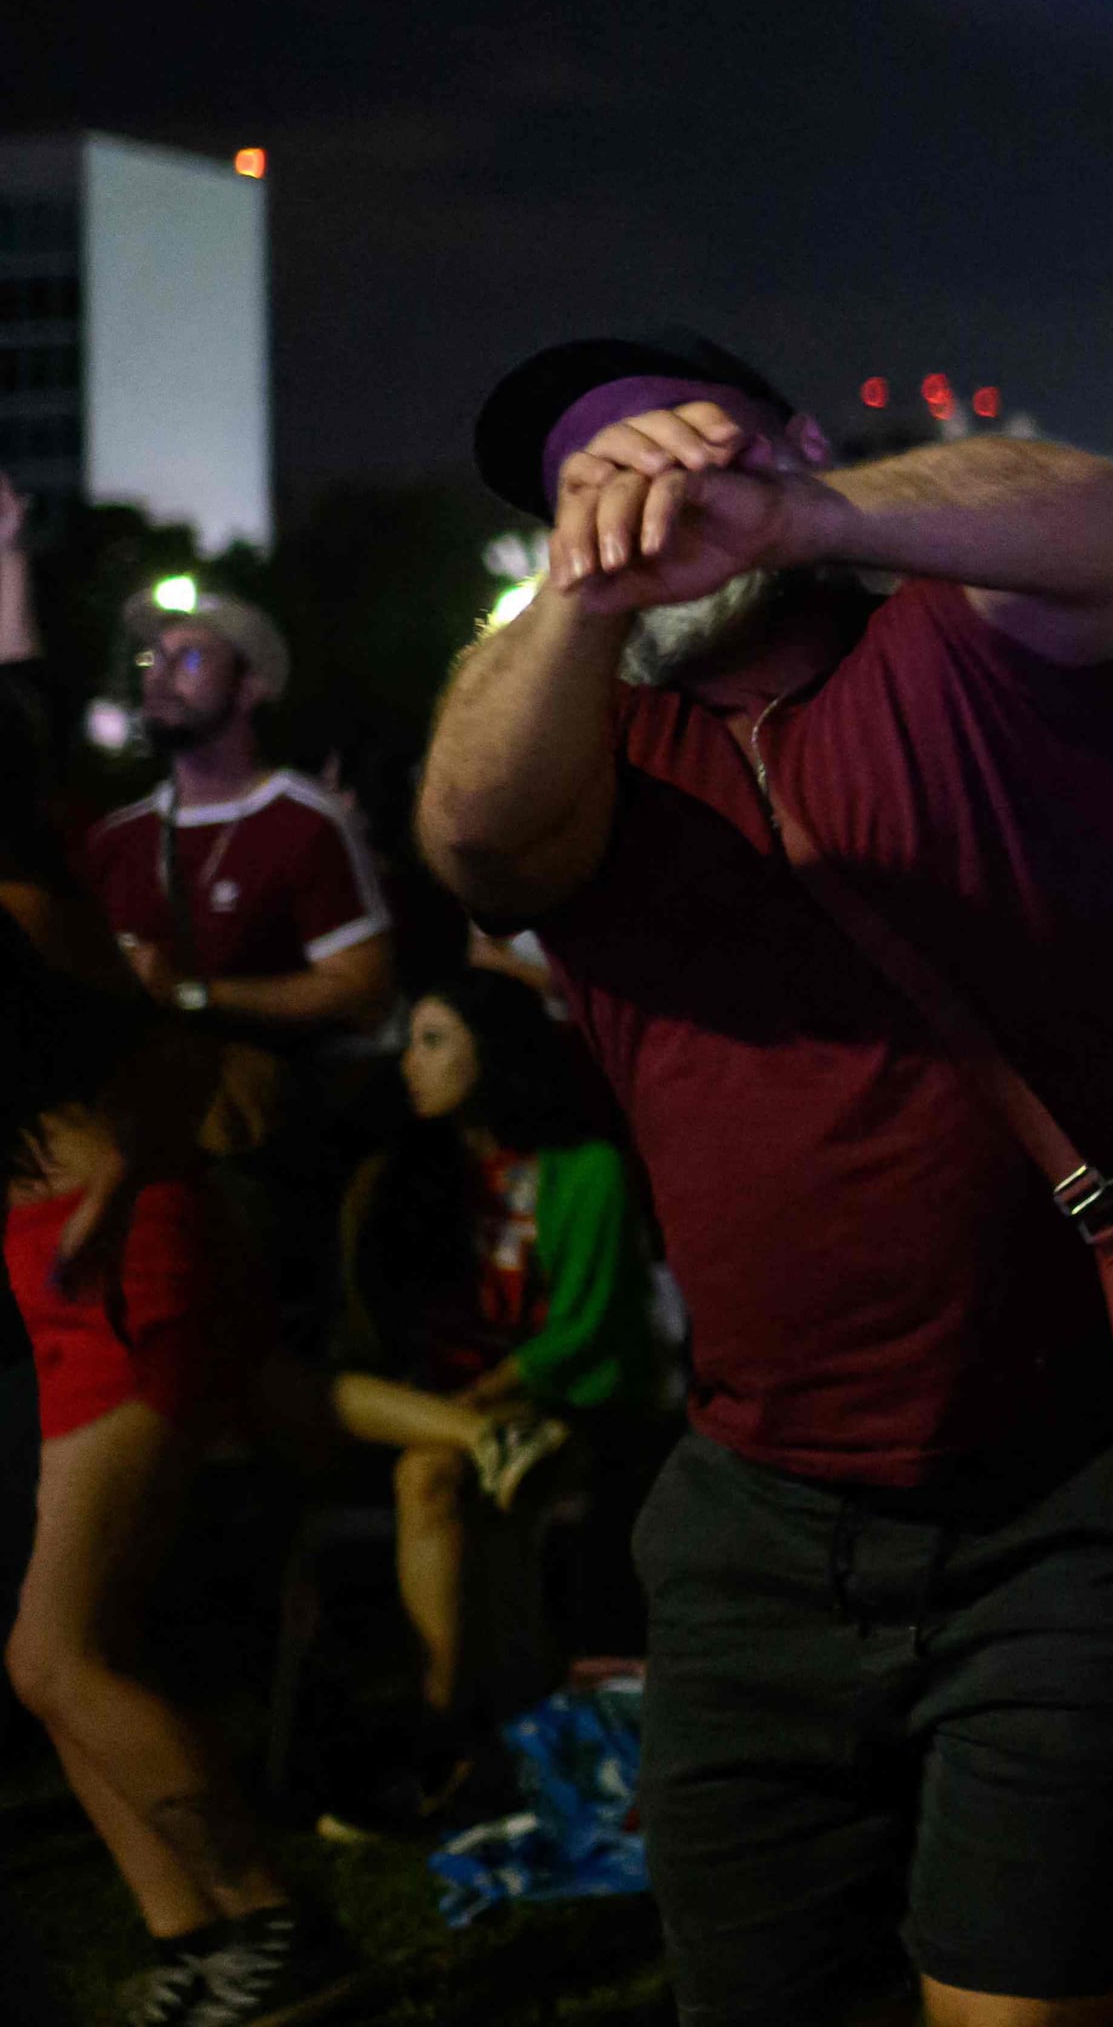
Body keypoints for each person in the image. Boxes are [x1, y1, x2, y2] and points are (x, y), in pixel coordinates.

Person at [415, 333, 1113, 2027]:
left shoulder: (974, 648)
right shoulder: (597, 747)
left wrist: (784, 514)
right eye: (592, 479)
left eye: (674, 447)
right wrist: (573, 601)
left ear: (791, 443)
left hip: (1059, 1500)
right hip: (751, 1520)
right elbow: (473, 838)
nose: (643, 495)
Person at [11, 800, 355, 2020]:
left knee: (61, 1650)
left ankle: (270, 1917)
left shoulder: (23, 900)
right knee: (52, 1662)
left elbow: (170, 1055)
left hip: (123, 1256)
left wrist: (114, 1190)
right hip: (47, 1262)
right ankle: (194, 1938)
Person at [289, 969, 652, 1822]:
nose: (409, 1061)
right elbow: (374, 1325)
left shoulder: (585, 1168)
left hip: (553, 1402)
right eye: (411, 1039)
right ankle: (467, 1731)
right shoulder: (407, 1176)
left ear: (496, 1052)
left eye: (434, 1039)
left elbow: (592, 1328)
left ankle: (442, 1730)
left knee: (430, 1474)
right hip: (447, 1407)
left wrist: (488, 1395)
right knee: (319, 1396)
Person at [89, 587, 396, 1047]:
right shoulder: (116, 837)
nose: (158, 677)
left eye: (190, 660)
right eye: (153, 660)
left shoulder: (304, 821)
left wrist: (193, 994)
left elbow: (362, 989)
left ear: (251, 688)